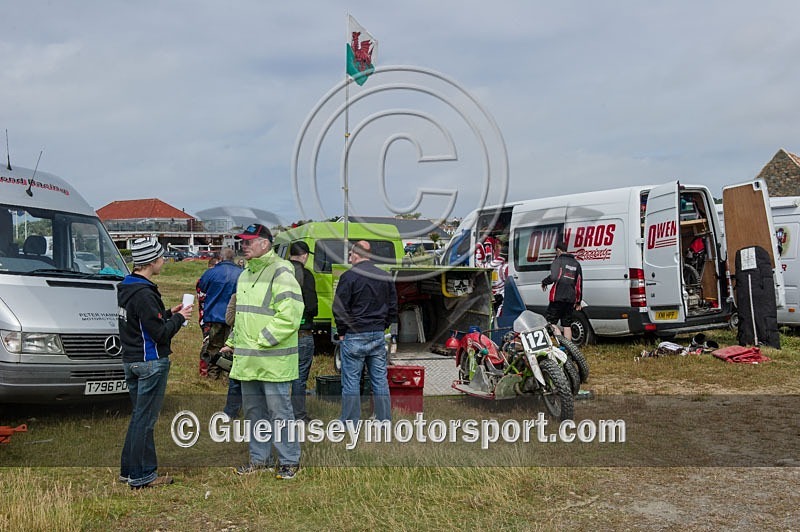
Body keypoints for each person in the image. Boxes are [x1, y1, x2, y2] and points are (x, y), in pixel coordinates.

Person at [219, 224, 303, 480]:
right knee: (255, 413)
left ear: (264, 244)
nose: (243, 246)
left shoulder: (281, 272)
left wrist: (262, 340)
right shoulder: (245, 275)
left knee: (280, 413)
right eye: (242, 242)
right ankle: (260, 460)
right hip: (249, 361)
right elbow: (244, 317)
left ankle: (289, 461)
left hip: (273, 361)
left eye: (248, 242)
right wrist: (232, 341)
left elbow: (291, 315)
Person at [118, 237, 193, 489]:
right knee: (145, 420)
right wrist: (180, 319)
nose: (164, 261)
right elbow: (160, 334)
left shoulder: (128, 288)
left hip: (132, 360)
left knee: (138, 417)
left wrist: (169, 313)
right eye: (161, 257)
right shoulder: (145, 294)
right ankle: (142, 476)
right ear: (151, 261)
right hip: (150, 362)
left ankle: (129, 470)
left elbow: (145, 321)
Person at [333, 240, 397, 423]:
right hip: (377, 333)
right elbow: (393, 306)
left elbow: (339, 308)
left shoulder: (348, 277)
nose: (350, 258)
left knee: (351, 381)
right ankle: (384, 420)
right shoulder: (385, 276)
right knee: (379, 380)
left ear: (356, 254)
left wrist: (342, 331)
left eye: (351, 255)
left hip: (354, 334)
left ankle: (350, 421)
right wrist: (383, 325)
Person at [196, 248, 242, 380]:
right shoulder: (242, 273)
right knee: (231, 346)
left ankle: (212, 373)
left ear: (220, 258)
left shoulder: (211, 273)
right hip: (234, 315)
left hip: (214, 314)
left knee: (213, 346)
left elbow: (202, 287)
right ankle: (228, 375)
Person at [288, 241, 318, 423]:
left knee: (280, 376)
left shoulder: (278, 273)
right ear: (305, 256)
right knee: (299, 376)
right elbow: (312, 306)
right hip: (302, 333)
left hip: (280, 334)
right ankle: (298, 414)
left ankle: (279, 413)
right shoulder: (306, 275)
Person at [541, 241, 583, 341]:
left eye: (556, 251)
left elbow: (554, 277)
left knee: (551, 322)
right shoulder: (576, 264)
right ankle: (569, 347)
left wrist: (544, 282)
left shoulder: (558, 261)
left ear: (558, 250)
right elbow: (579, 284)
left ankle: (561, 342)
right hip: (570, 299)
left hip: (557, 297)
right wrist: (578, 301)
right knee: (567, 324)